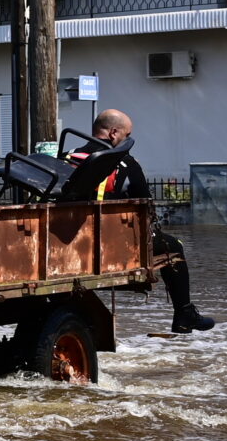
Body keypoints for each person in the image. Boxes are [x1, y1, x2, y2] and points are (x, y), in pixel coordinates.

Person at [73, 109, 217, 333]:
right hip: (110, 245)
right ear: (113, 133)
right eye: (127, 135)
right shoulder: (124, 163)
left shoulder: (69, 156)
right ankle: (184, 314)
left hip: (70, 241)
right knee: (173, 247)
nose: (128, 140)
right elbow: (145, 206)